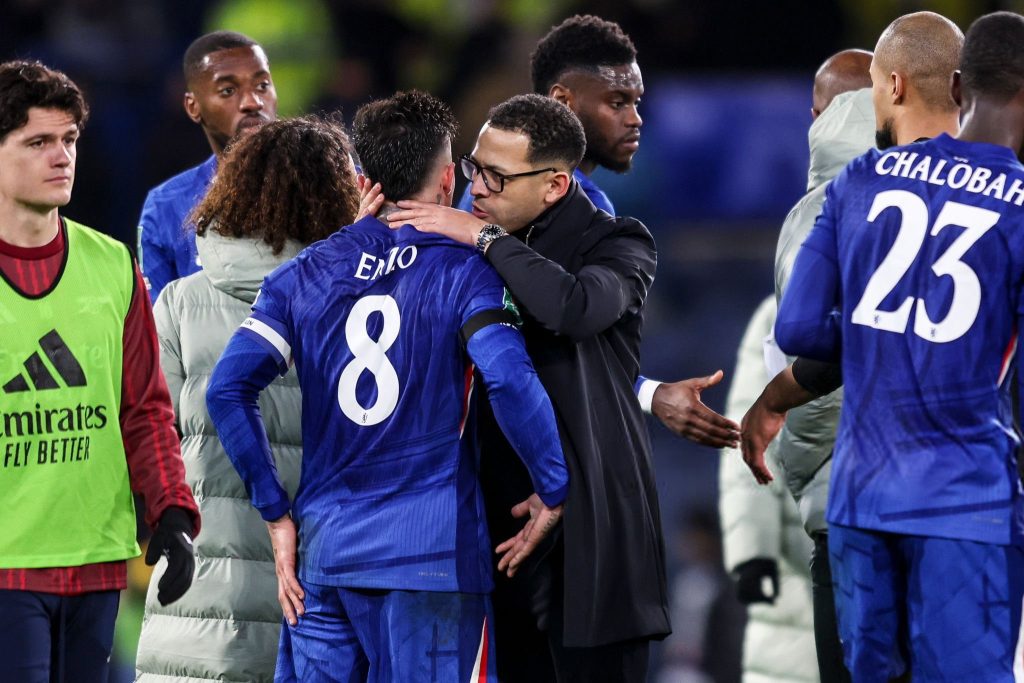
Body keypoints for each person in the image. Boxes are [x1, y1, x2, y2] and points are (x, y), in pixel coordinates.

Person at [206, 90, 569, 682]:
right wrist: (553, 487)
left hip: (324, 557)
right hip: (433, 559)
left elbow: (226, 391)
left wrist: (276, 515)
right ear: (449, 179)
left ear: (362, 180)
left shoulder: (304, 273)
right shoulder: (469, 271)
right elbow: (507, 377)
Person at [772, 11, 1024, 680]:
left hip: (861, 496)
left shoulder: (859, 180)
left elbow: (796, 329)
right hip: (967, 502)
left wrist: (874, 331)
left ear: (961, 86)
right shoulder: (1018, 204)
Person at [388, 93, 668, 682]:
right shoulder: (467, 241)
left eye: (497, 176)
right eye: (474, 167)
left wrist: (484, 237)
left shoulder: (619, 242)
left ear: (555, 185)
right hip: (499, 529)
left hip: (592, 527)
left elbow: (575, 308)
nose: (478, 187)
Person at [135, 116, 360, 681]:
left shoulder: (178, 303)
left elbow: (147, 439)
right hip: (316, 593)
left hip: (197, 598)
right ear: (335, 196)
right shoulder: (355, 303)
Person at [0, 60, 198, 682]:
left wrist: (171, 509)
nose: (62, 157)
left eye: (70, 140)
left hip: (98, 558)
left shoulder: (112, 265)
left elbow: (145, 407)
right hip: (7, 564)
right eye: (38, 141)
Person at [137, 30, 278, 302]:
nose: (253, 102)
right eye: (228, 91)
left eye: (262, 85)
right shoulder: (167, 206)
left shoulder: (332, 181)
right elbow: (157, 320)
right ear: (193, 107)